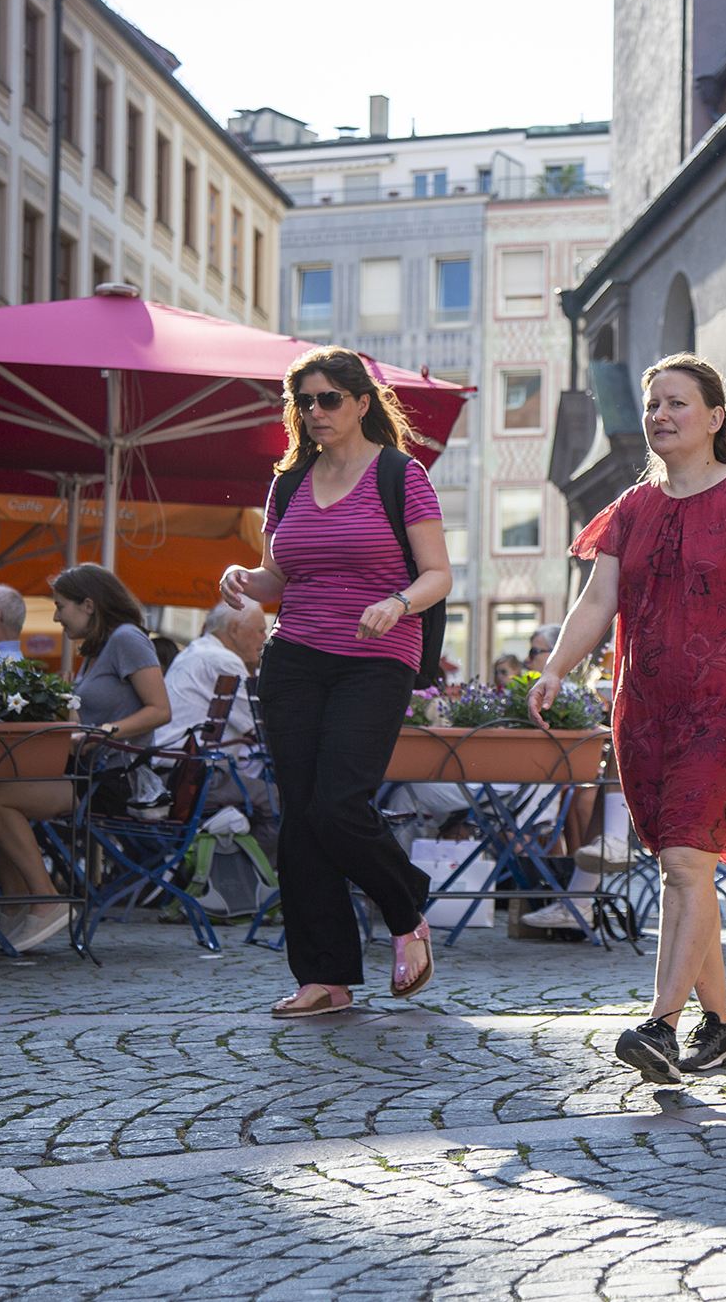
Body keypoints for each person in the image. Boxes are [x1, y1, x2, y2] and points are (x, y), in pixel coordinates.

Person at [528, 351, 726, 1084]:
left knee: (686, 861)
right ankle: (720, 1024)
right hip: (646, 711)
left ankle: (660, 1024)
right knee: (687, 866)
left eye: (676, 403)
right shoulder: (632, 509)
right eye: (653, 404)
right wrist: (556, 666)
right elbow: (596, 601)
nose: (660, 415)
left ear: (715, 418)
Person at [220, 345, 452, 1019]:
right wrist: (243, 580)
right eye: (305, 402)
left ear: (358, 402)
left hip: (377, 656)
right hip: (294, 658)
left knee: (338, 804)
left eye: (327, 399)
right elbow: (277, 577)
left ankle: (406, 907)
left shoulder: (401, 476)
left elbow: (438, 573)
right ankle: (326, 976)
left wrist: (398, 602)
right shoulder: (288, 483)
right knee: (300, 819)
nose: (315, 412)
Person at [0, 565, 170, 954]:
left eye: (60, 607)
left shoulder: (128, 638)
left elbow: (160, 710)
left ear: (88, 605)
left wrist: (105, 731)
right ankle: (17, 901)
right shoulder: (96, 650)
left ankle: (46, 899)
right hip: (85, 770)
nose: (56, 617)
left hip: (113, 778)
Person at [156, 600, 275, 840]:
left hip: (174, 773)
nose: (266, 639)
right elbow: (263, 728)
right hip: (191, 778)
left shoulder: (197, 650)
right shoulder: (223, 660)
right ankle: (248, 874)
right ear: (233, 629)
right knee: (279, 803)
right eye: (261, 630)